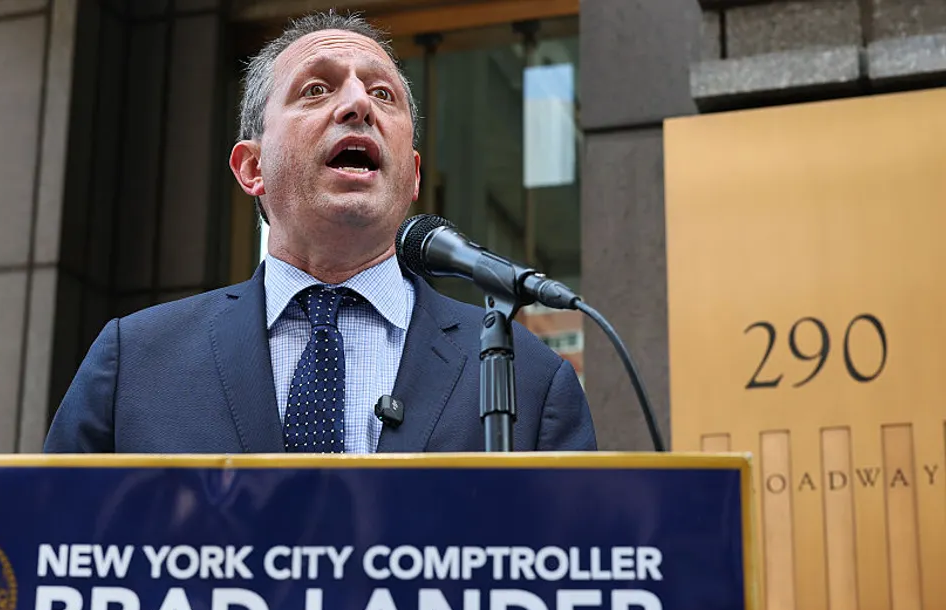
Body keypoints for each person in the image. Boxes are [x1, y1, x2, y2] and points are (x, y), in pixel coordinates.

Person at [43, 11, 596, 455]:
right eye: (315, 89)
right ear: (251, 168)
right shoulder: (135, 361)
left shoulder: (528, 377)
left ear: (413, 177)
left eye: (383, 95)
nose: (357, 104)